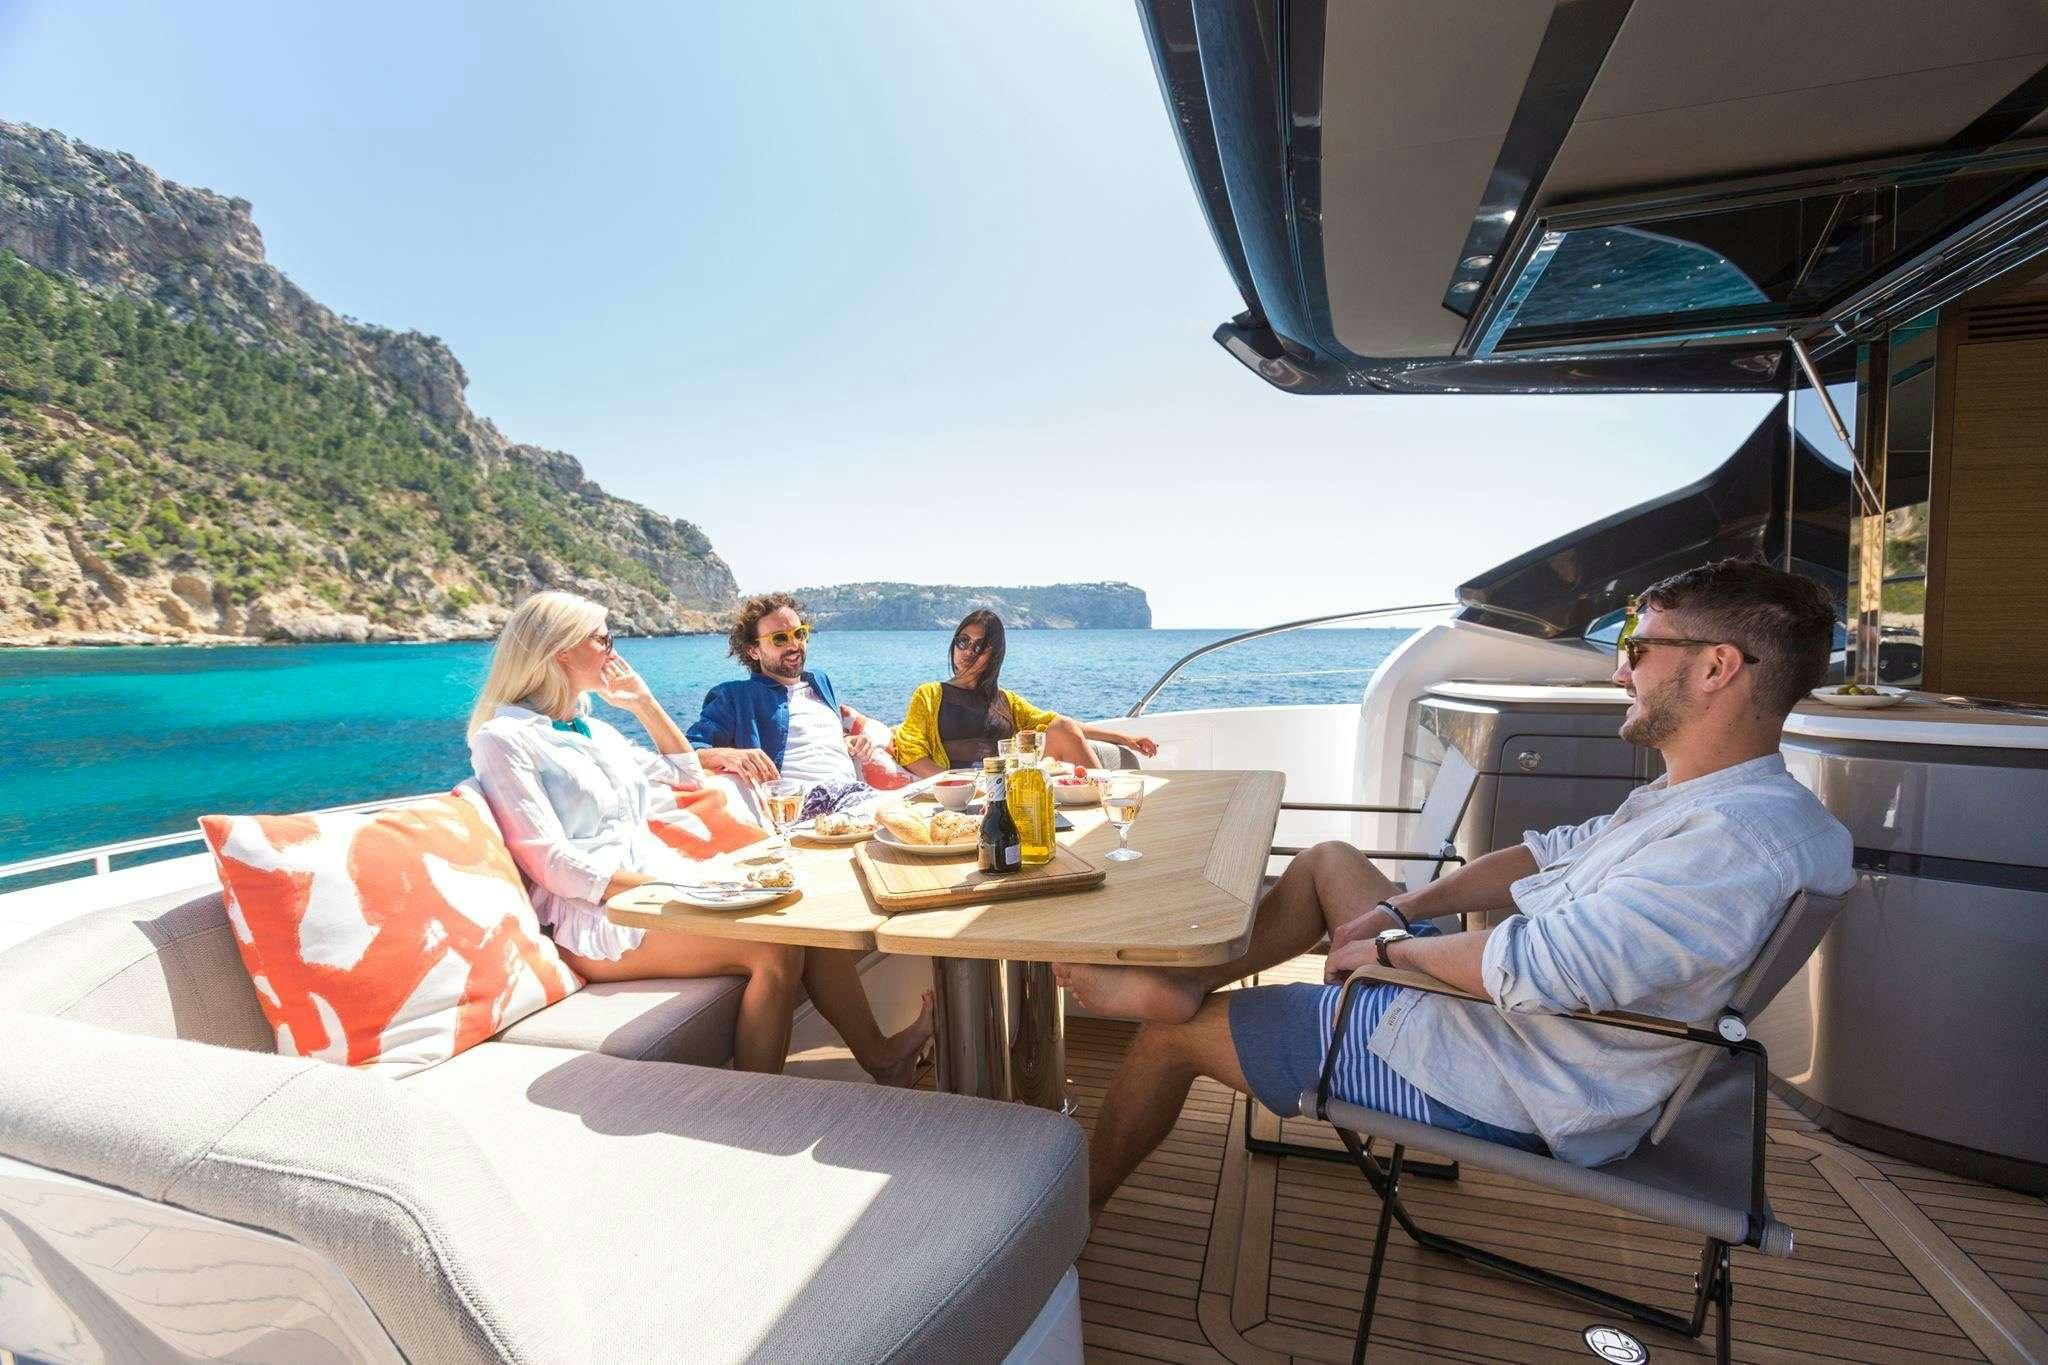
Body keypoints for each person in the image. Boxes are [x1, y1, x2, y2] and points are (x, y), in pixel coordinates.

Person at [1054, 558, 1855, 1216]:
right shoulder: (1704, 801)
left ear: (1717, 667)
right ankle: (1178, 981)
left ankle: (1068, 1224)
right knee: (1332, 858)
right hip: (1518, 1022)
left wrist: (1392, 952)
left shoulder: (1728, 846)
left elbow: (1538, 968)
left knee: (1168, 1042)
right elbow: (1540, 856)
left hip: (1510, 1073)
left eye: (1640, 650)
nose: (1620, 670)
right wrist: (1402, 907)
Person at [468, 591, 931, 1081]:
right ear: (561, 649)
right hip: (599, 917)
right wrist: (674, 888)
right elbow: (552, 865)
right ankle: (752, 1109)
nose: (613, 651)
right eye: (603, 638)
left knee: (801, 924)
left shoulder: (592, 732)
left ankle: (883, 1058)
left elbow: (687, 775)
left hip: (657, 892)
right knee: (774, 948)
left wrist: (643, 703)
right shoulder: (504, 738)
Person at [686, 593, 887, 818]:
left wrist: (846, 743)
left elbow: (807, 738)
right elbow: (687, 751)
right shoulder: (736, 695)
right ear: (753, 650)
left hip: (852, 795)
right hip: (805, 805)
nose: (794, 645)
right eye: (779, 639)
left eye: (799, 634)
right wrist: (728, 756)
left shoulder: (820, 681)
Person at [892, 609, 1160, 776]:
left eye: (980, 645)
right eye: (963, 641)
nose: (968, 651)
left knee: (1062, 726)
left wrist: (1125, 737)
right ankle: (1105, 800)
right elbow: (911, 750)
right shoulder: (929, 694)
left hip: (1008, 784)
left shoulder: (1005, 700)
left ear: (994, 654)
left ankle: (1104, 800)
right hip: (960, 787)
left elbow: (1059, 725)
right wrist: (951, 785)